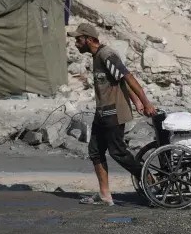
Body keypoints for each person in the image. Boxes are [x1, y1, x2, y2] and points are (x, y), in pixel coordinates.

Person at [68, 22, 158, 206]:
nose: (76, 44)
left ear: (89, 39)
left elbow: (128, 77)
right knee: (95, 151)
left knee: (117, 152)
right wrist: (136, 102)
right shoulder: (96, 56)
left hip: (113, 112)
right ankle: (105, 195)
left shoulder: (106, 55)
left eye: (78, 40)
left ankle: (149, 178)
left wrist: (146, 102)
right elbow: (120, 81)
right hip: (102, 112)